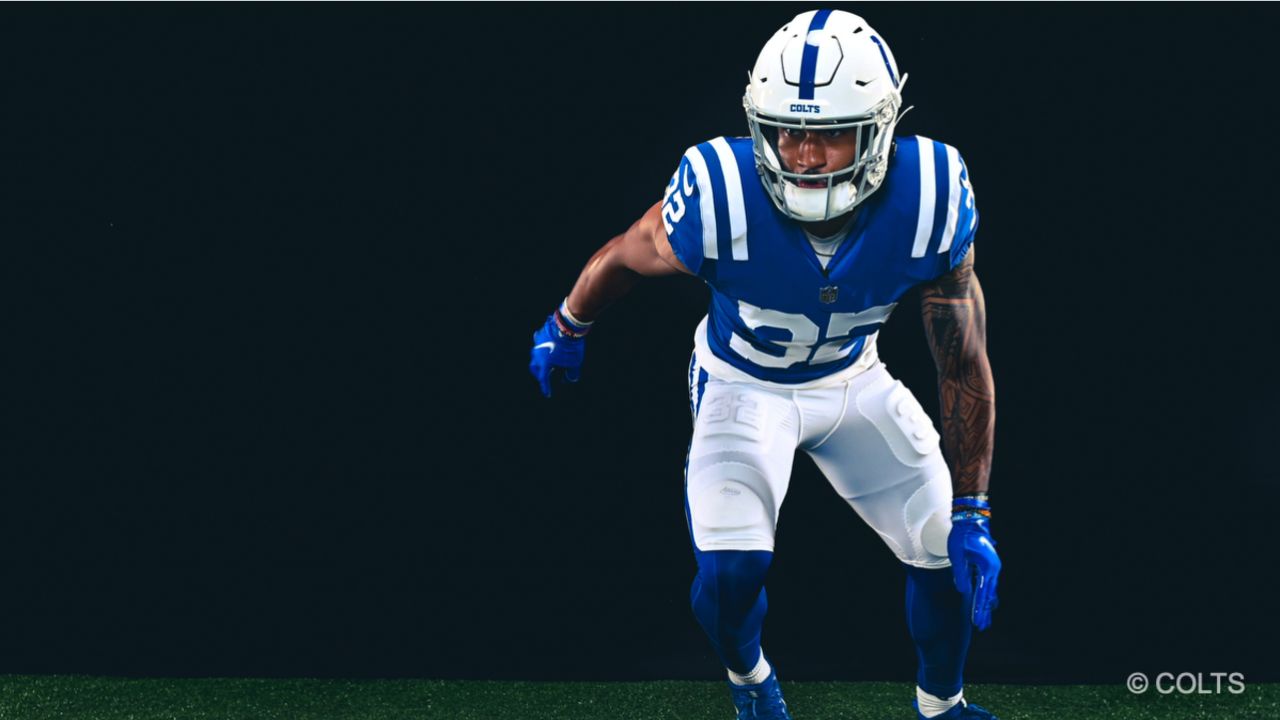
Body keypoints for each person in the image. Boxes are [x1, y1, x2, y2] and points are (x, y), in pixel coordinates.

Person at [529, 9, 1001, 720]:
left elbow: (963, 361)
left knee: (946, 551)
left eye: (830, 133)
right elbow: (630, 251)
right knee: (728, 577)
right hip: (742, 385)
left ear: (879, 130)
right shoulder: (720, 191)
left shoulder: (931, 194)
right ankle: (752, 682)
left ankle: (943, 705)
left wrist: (974, 508)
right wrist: (568, 321)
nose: (803, 156)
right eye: (788, 129)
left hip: (854, 381)